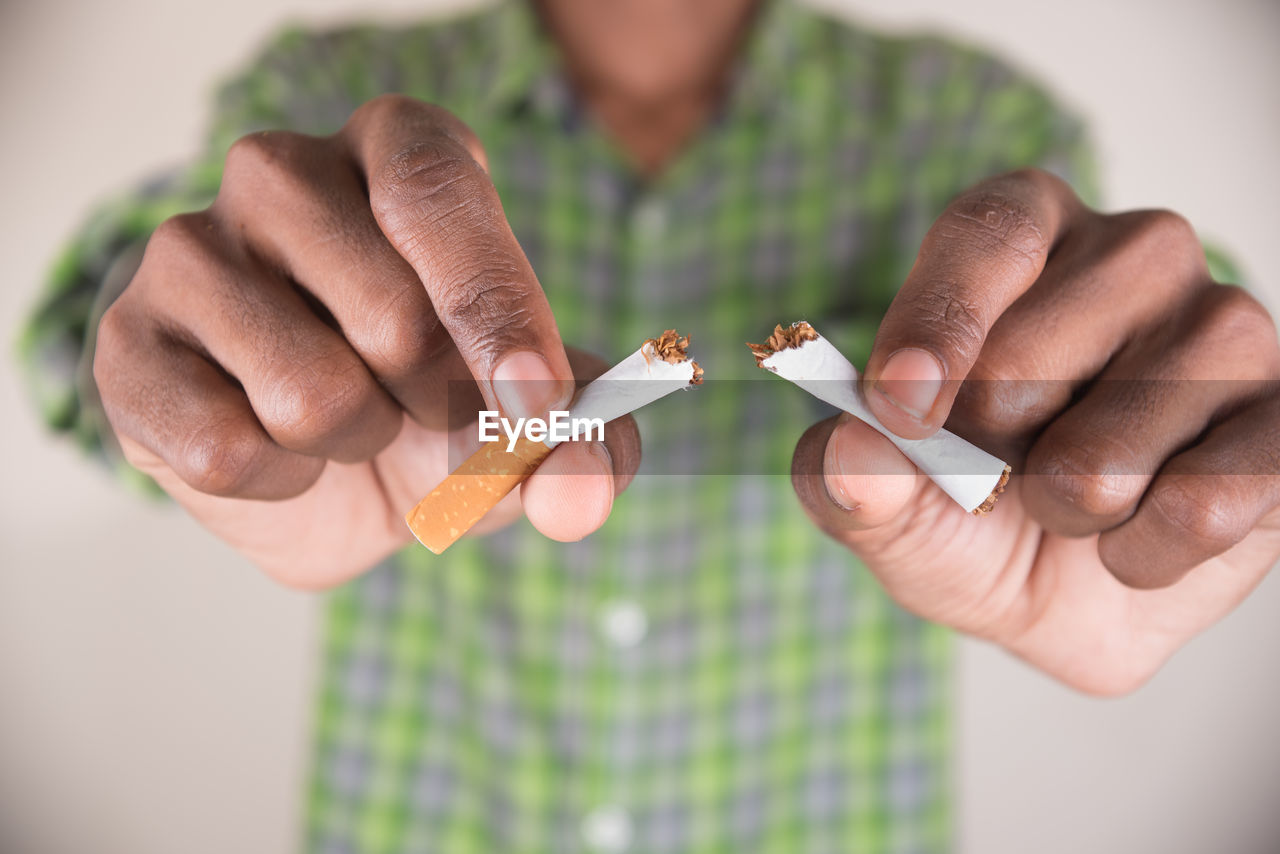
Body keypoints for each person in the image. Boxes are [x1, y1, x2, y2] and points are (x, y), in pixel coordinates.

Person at [21, 0, 1280, 851]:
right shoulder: (331, 89)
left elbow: (1150, 318)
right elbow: (97, 332)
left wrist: (1175, 420)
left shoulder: (974, 126)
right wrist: (169, 362)